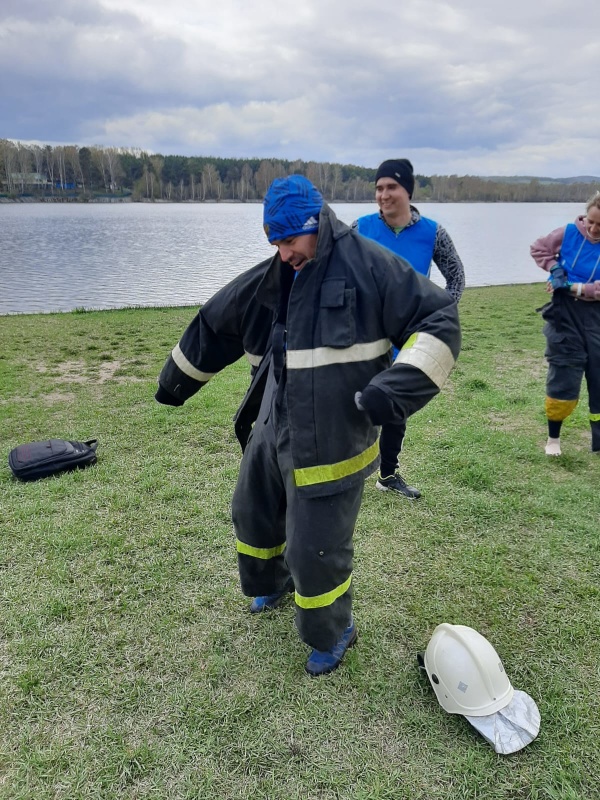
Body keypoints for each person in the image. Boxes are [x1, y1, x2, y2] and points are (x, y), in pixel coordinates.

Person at [155, 175, 461, 676]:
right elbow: (220, 319)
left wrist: (395, 391)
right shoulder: (278, 270)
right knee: (251, 509)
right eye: (273, 242)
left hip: (335, 435)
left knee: (314, 547)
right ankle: (270, 584)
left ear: (315, 224)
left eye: (289, 240)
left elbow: (441, 323)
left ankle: (334, 630)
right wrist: (175, 383)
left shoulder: (371, 267)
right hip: (276, 417)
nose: (282, 253)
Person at [353, 159, 465, 499]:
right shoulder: (360, 228)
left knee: (393, 408)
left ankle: (387, 475)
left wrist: (436, 321)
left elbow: (456, 279)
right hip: (363, 336)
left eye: (391, 187)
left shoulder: (433, 232)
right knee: (351, 402)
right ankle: (345, 470)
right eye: (378, 188)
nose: (383, 195)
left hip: (408, 338)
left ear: (408, 191)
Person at [530, 191, 600, 456]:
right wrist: (554, 268)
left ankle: (598, 443)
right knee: (564, 371)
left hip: (596, 315)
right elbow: (539, 248)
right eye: (590, 221)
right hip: (564, 314)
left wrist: (573, 285)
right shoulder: (569, 232)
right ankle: (553, 439)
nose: (593, 229)